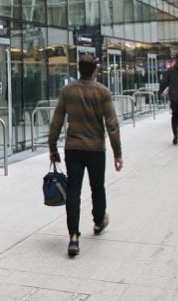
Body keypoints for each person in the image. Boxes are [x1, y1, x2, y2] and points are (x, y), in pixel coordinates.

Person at [48, 53, 123, 257]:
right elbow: (112, 125)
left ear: (79, 69)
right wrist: (118, 153)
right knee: (97, 186)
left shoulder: (68, 91)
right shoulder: (103, 92)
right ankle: (99, 221)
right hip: (96, 149)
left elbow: (56, 121)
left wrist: (52, 146)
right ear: (95, 70)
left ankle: (73, 237)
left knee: (74, 190)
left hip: (73, 148)